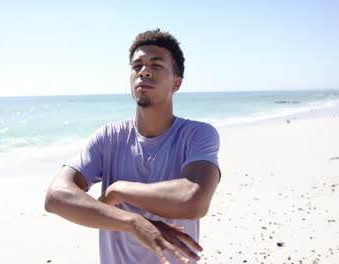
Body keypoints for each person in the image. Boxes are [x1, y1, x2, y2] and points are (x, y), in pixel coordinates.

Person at [44, 29, 221, 264]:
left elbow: (194, 200)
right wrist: (135, 223)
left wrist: (119, 190)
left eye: (156, 65)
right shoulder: (109, 136)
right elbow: (56, 197)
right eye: (137, 66)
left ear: (176, 83)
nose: (144, 71)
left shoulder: (197, 134)